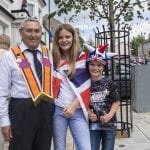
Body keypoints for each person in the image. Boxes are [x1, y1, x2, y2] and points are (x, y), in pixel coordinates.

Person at [0, 17, 54, 150]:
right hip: (21, 110)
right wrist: (4, 121)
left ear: (41, 33)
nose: (33, 34)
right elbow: (2, 91)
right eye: (29, 30)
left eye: (37, 31)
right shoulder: (10, 56)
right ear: (21, 32)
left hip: (45, 109)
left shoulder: (48, 54)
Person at [52, 23, 91, 150]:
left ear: (73, 37)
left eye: (67, 36)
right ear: (57, 39)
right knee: (59, 147)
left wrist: (73, 106)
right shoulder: (53, 59)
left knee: (85, 147)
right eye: (60, 37)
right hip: (58, 110)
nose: (64, 40)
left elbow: (87, 85)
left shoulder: (83, 58)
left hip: (78, 110)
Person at [87, 46, 120, 150]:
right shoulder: (85, 84)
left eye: (99, 65)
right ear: (88, 65)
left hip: (109, 126)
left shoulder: (109, 83)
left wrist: (109, 115)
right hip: (93, 127)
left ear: (103, 67)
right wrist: (88, 113)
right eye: (92, 64)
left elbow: (116, 102)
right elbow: (82, 102)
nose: (95, 68)